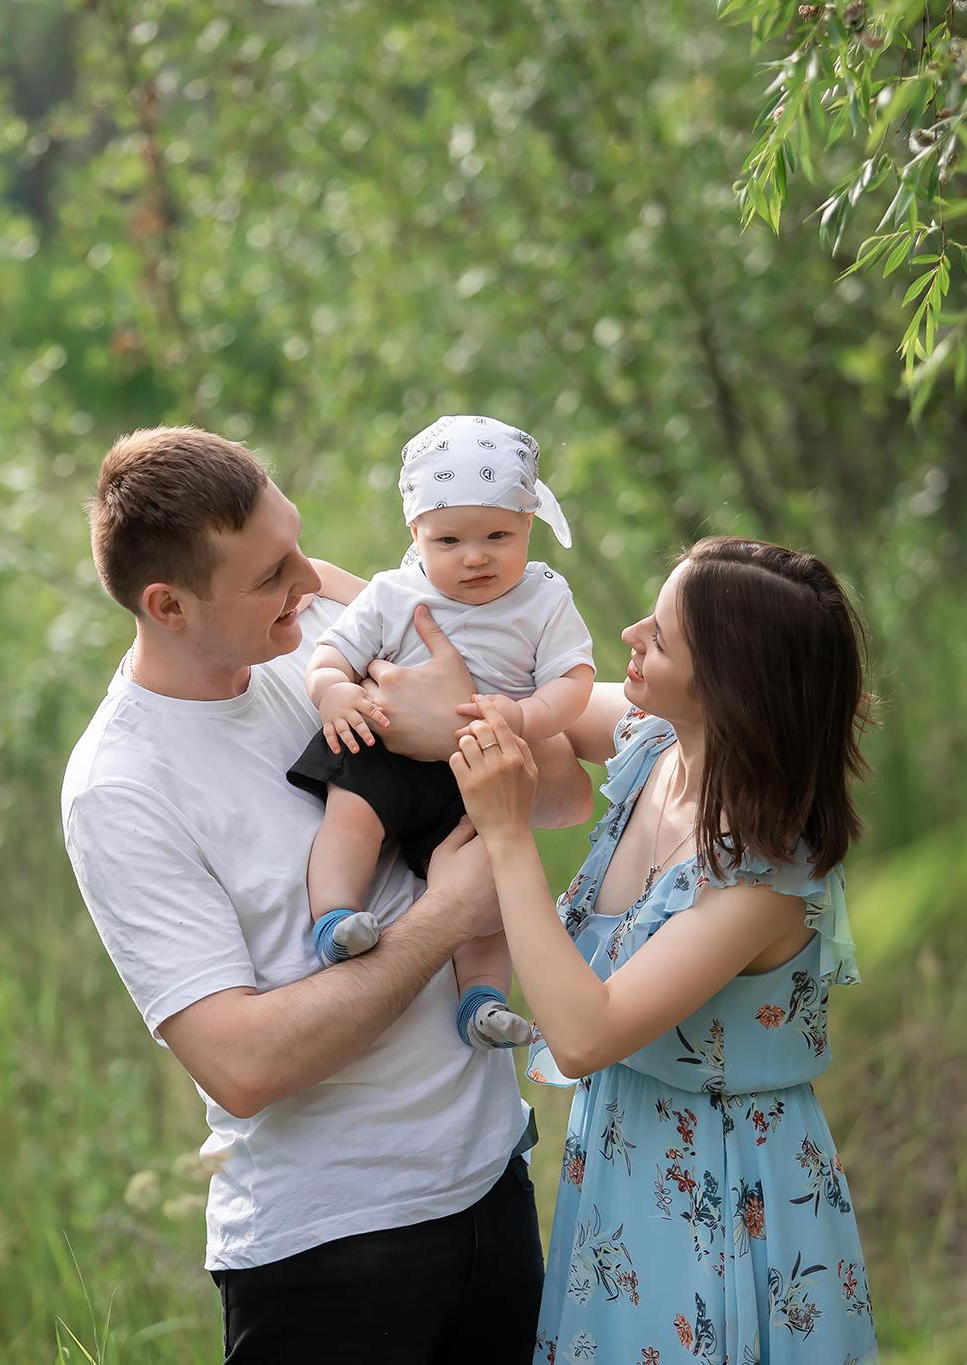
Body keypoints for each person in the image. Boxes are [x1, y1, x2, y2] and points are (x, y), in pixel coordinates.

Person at [59, 427, 591, 1360]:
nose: (310, 579)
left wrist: (458, 726)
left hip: (492, 1188)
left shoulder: (320, 628)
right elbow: (241, 1065)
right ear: (167, 604)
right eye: (272, 574)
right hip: (329, 1256)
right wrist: (449, 915)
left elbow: (563, 795)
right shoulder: (124, 786)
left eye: (297, 544)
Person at [449, 536, 880, 1363]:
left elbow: (585, 1034)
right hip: (623, 1169)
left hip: (724, 1190)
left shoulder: (763, 877)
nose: (631, 634)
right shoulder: (656, 744)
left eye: (662, 635)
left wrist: (508, 835)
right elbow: (515, 692)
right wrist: (357, 597)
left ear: (729, 686)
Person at [288, 414, 596, 1053]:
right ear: (416, 533)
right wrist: (334, 691)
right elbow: (331, 654)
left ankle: (482, 998)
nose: (475, 556)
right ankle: (335, 918)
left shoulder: (544, 598)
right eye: (449, 540)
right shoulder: (392, 593)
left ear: (529, 525)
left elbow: (574, 680)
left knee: (491, 879)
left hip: (478, 764)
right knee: (351, 819)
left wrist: (525, 718)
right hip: (384, 743)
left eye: (497, 535)